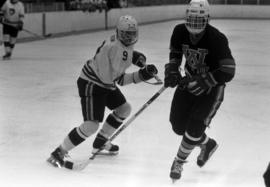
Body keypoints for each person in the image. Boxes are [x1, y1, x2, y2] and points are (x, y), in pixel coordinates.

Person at [47, 15, 158, 168]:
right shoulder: (113, 48)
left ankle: (100, 141)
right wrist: (141, 75)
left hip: (103, 82)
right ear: (119, 33)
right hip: (92, 83)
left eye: (132, 34)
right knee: (91, 125)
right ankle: (58, 153)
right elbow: (118, 81)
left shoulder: (119, 43)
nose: (130, 37)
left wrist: (134, 56)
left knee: (124, 109)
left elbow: (121, 56)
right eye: (126, 34)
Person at [164, 0, 236, 182]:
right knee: (178, 126)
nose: (194, 23)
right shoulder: (179, 31)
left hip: (211, 89)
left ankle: (179, 161)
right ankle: (207, 144)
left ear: (207, 19)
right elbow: (175, 54)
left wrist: (206, 81)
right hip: (188, 83)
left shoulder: (217, 38)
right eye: (191, 19)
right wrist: (172, 70)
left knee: (195, 127)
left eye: (199, 19)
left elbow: (229, 70)